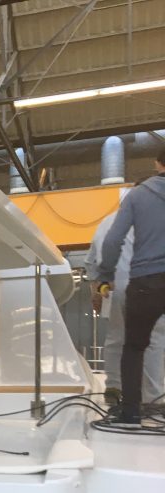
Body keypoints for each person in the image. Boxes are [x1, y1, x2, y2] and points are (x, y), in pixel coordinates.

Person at [97, 149, 165, 424]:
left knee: (134, 346)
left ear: (157, 163)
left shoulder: (137, 196)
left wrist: (105, 275)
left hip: (146, 282)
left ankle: (131, 413)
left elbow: (113, 240)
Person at [85, 205, 165, 406]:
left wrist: (95, 291)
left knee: (116, 338)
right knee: (153, 340)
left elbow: (91, 261)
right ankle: (152, 398)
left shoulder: (106, 222)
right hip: (146, 285)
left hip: (114, 288)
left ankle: (114, 390)